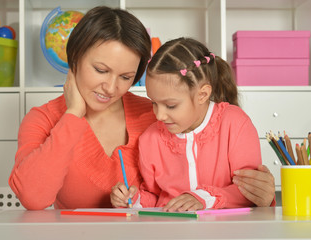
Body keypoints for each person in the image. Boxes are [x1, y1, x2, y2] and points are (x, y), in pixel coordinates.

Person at [9, 6, 275, 210]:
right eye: (101, 70)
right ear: (74, 58)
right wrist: (72, 115)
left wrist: (258, 194)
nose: (111, 88)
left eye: (126, 77)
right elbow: (33, 198)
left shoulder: (157, 114)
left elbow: (201, 181)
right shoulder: (42, 120)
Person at [110, 37, 276, 211]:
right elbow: (155, 197)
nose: (159, 115)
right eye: (154, 103)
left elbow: (251, 192)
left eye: (171, 105)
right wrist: (132, 199)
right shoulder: (150, 139)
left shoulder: (235, 124)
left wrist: (205, 199)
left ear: (202, 94)